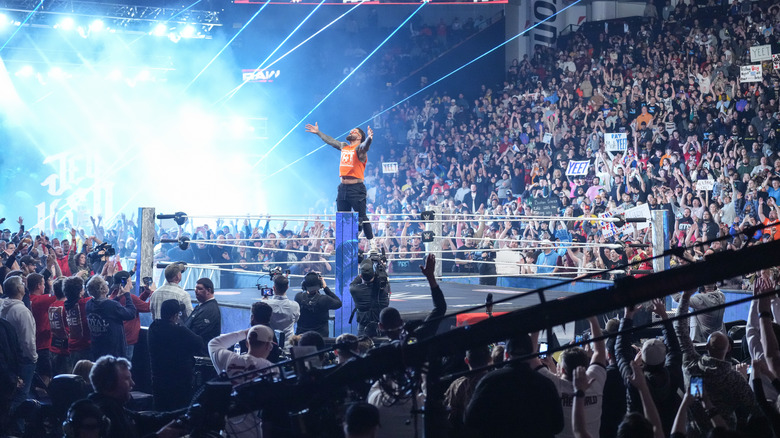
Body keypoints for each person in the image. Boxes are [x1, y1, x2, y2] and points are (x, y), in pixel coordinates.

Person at [675, 288, 761, 433]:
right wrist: (746, 379)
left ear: (706, 346)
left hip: (694, 432)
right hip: (725, 432)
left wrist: (685, 297)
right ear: (729, 349)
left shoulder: (692, 366)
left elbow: (680, 329)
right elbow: (755, 407)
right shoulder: (734, 378)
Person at [465, 333, 563, 438]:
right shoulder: (546, 384)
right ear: (531, 355)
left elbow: (470, 419)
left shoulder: (490, 381)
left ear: (506, 354)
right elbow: (558, 426)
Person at [531, 316, 607, 438]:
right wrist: (593, 320)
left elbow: (531, 357)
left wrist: (537, 328)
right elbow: (600, 351)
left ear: (561, 369)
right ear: (587, 364)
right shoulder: (595, 382)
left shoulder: (554, 385)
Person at [305, 122, 376, 250]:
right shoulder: (344, 147)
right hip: (343, 188)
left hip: (356, 188)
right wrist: (318, 132)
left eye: (355, 131)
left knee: (362, 217)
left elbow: (365, 147)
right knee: (343, 218)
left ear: (360, 137)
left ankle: (373, 245)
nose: (351, 132)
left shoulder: (360, 150)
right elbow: (332, 141)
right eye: (351, 130)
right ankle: (345, 247)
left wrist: (369, 139)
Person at [87, 355, 185, 438]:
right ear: (109, 383)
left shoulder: (114, 407)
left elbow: (153, 421)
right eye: (127, 379)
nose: (132, 383)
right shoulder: (105, 413)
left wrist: (191, 409)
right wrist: (159, 436)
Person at [208, 325, 279, 437]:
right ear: (268, 346)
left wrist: (244, 333)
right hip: (254, 433)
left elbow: (214, 343)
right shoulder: (271, 369)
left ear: (246, 343)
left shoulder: (228, 358)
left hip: (225, 432)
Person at [148, 299, 203, 411]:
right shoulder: (179, 330)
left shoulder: (153, 327)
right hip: (179, 382)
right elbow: (199, 343)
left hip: (158, 379)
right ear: (174, 315)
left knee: (159, 412)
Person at [0, 275, 37, 410]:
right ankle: (8, 422)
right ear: (18, 288)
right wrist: (33, 357)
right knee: (21, 394)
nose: (24, 285)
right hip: (23, 358)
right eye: (22, 283)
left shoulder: (3, 305)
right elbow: (28, 340)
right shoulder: (22, 311)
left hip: (9, 357)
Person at [85, 275, 136, 359]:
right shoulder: (111, 305)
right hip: (113, 351)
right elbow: (131, 314)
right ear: (103, 289)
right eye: (105, 284)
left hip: (97, 348)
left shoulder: (89, 304)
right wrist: (127, 294)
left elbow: (106, 311)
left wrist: (117, 298)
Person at [444, 346, 491, 436]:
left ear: (466, 360)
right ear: (489, 359)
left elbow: (450, 419)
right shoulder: (496, 381)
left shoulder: (457, 386)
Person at [349, 258, 390, 337]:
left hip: (363, 325)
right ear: (374, 274)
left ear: (361, 276)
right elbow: (384, 279)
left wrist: (363, 271)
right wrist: (380, 267)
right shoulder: (384, 289)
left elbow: (353, 283)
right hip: (381, 324)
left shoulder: (354, 290)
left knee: (362, 345)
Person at [28, 272, 56, 385]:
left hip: (33, 343)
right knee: (45, 378)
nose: (45, 286)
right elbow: (60, 293)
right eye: (44, 284)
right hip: (43, 345)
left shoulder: (27, 300)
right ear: (38, 286)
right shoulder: (41, 300)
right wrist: (52, 284)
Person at [294, 271, 342, 337]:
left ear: (304, 285)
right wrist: (325, 288)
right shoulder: (324, 299)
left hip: (301, 338)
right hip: (320, 338)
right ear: (320, 284)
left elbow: (307, 296)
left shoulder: (298, 297)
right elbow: (338, 303)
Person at [183, 278, 221, 351]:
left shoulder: (210, 310)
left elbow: (196, 333)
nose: (196, 291)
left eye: (200, 289)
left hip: (201, 353)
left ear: (208, 291)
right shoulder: (201, 306)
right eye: (195, 288)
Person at [265, 274, 299, 348]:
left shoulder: (265, 304)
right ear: (287, 287)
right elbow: (296, 320)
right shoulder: (295, 305)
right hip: (289, 345)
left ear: (274, 288)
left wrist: (264, 301)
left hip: (270, 346)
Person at [64, 276, 92, 363]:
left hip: (72, 345)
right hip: (84, 346)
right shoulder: (84, 303)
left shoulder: (66, 304)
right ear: (80, 291)